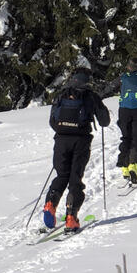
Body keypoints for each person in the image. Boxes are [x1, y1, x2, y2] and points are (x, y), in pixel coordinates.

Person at [43, 68, 110, 231]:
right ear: (87, 79)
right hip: (81, 141)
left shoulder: (61, 94)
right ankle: (71, 217)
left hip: (61, 140)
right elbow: (104, 121)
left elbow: (52, 121)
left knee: (62, 175)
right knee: (75, 179)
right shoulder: (90, 95)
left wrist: (64, 130)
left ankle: (50, 204)